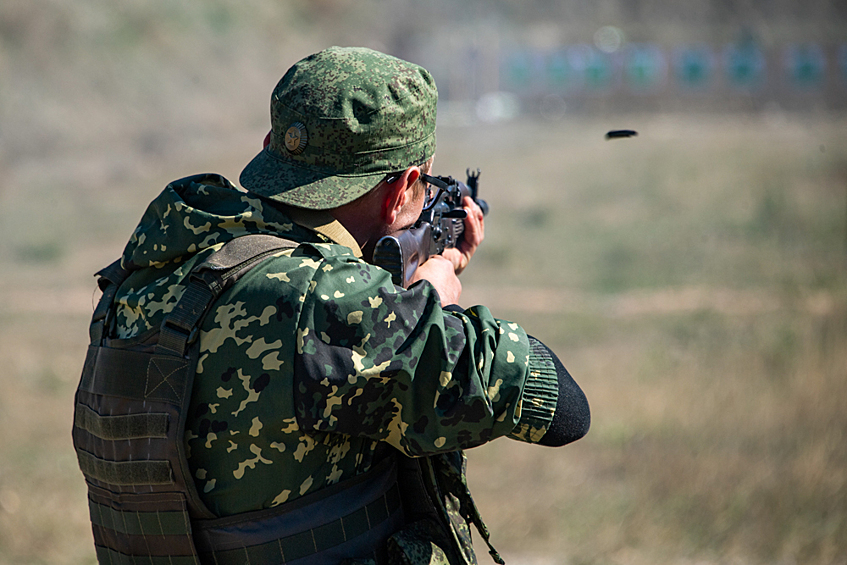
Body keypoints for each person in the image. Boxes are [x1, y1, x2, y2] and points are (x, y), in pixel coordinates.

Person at [72, 46, 590, 565]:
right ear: (404, 188)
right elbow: (565, 409)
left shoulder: (151, 271)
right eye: (424, 185)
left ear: (273, 148)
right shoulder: (327, 300)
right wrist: (433, 295)